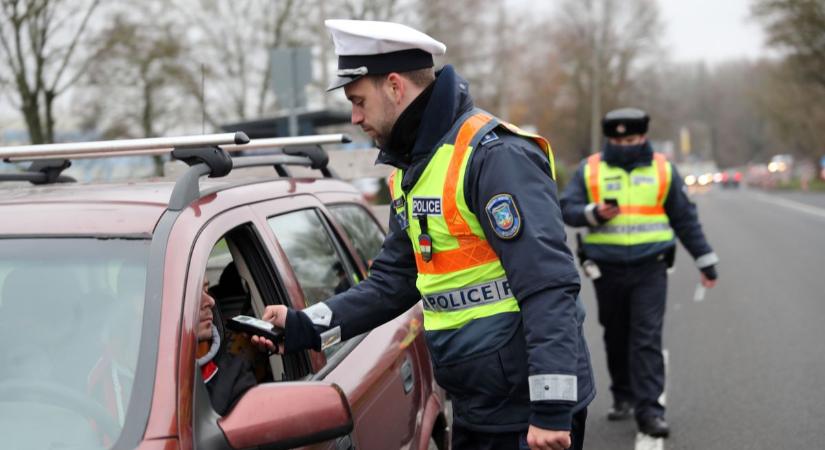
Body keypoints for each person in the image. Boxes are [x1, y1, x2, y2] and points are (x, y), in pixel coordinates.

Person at [253, 19, 594, 450]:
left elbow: (548, 287)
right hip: (477, 405)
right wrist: (304, 324)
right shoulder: (414, 171)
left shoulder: (493, 157)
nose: (355, 117)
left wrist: (550, 409)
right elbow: (392, 284)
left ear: (395, 87)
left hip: (527, 415)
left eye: (358, 101)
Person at [560, 108, 719, 438]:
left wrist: (705, 260)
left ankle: (650, 411)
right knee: (616, 335)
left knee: (646, 337)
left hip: (651, 266)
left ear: (643, 137)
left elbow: (684, 217)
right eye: (617, 140)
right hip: (606, 270)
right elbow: (566, 208)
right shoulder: (590, 169)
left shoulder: (663, 169)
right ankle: (623, 395)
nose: (624, 145)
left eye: (630, 139)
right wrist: (593, 214)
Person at [196, 279, 258, 415]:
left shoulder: (235, 377)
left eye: (206, 289)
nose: (210, 301)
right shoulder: (143, 377)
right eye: (194, 292)